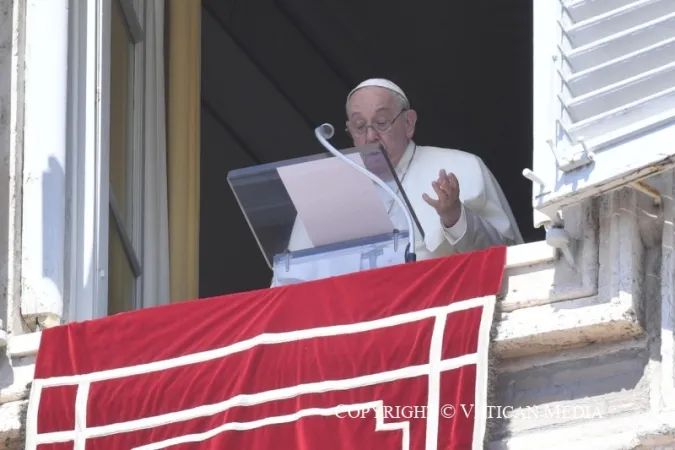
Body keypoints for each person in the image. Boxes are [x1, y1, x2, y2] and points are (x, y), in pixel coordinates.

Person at [278, 78, 522, 283]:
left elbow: (506, 259)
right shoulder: (326, 190)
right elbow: (289, 278)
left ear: (408, 123)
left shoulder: (461, 166)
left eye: (382, 123)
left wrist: (455, 218)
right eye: (360, 126)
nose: (371, 135)